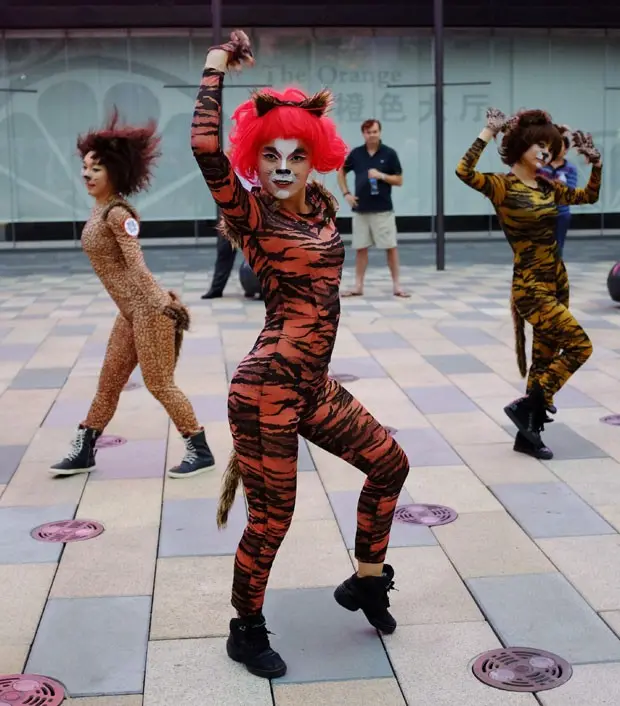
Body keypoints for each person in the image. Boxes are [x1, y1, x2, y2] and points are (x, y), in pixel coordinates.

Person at [191, 30, 410, 680]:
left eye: (297, 154)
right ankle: (245, 628)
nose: (283, 166)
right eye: (270, 155)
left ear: (315, 158)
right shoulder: (254, 213)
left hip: (311, 386)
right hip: (266, 393)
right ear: (254, 161)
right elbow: (205, 149)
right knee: (272, 519)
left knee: (389, 465)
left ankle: (367, 580)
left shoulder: (318, 207)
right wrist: (215, 65)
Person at [50, 110, 216, 480]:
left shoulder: (118, 213)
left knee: (159, 384)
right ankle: (84, 449)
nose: (87, 174)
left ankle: (199, 448)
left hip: (149, 311)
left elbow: (136, 263)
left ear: (116, 173)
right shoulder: (99, 211)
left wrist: (161, 304)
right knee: (108, 382)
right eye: (86, 167)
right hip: (129, 313)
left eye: (97, 168)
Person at [456, 108, 601, 460]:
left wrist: (596, 165)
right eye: (540, 145)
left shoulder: (549, 187)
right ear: (521, 146)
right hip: (530, 287)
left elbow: (589, 198)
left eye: (551, 147)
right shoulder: (502, 186)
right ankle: (531, 404)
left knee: (543, 360)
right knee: (581, 346)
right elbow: (464, 171)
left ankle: (528, 434)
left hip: (557, 281)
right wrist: (488, 131)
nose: (547, 153)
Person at [336, 119, 409, 298]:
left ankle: (397, 285)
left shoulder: (389, 154)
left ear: (380, 132)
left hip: (383, 209)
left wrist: (381, 175)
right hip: (361, 209)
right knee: (361, 248)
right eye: (368, 132)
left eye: (375, 131)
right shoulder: (357, 154)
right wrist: (346, 194)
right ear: (363, 134)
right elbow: (341, 172)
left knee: (390, 247)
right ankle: (358, 286)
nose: (372, 135)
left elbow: (399, 180)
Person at [539, 125, 578, 259]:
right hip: (542, 212)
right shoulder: (541, 166)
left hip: (561, 214)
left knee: (557, 246)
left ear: (566, 150)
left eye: (559, 146)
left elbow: (570, 191)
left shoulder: (571, 168)